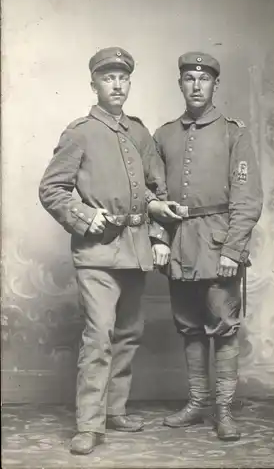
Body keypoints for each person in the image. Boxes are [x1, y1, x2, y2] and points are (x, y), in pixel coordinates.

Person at [39, 47, 180, 455]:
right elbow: (52, 189)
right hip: (98, 253)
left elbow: (156, 191)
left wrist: (158, 231)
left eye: (122, 77)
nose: (116, 85)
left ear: (129, 83)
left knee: (128, 334)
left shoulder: (139, 133)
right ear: (94, 84)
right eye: (108, 78)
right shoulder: (79, 131)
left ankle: (114, 410)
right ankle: (89, 424)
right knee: (98, 335)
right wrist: (83, 217)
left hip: (134, 251)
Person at [150, 51, 263, 441]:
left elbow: (247, 199)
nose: (196, 86)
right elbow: (156, 193)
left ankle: (224, 411)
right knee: (189, 328)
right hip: (180, 243)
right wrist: (160, 238)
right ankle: (198, 404)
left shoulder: (234, 133)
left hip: (219, 243)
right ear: (179, 84)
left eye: (204, 79)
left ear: (215, 84)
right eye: (188, 79)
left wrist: (233, 249)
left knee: (223, 327)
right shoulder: (163, 135)